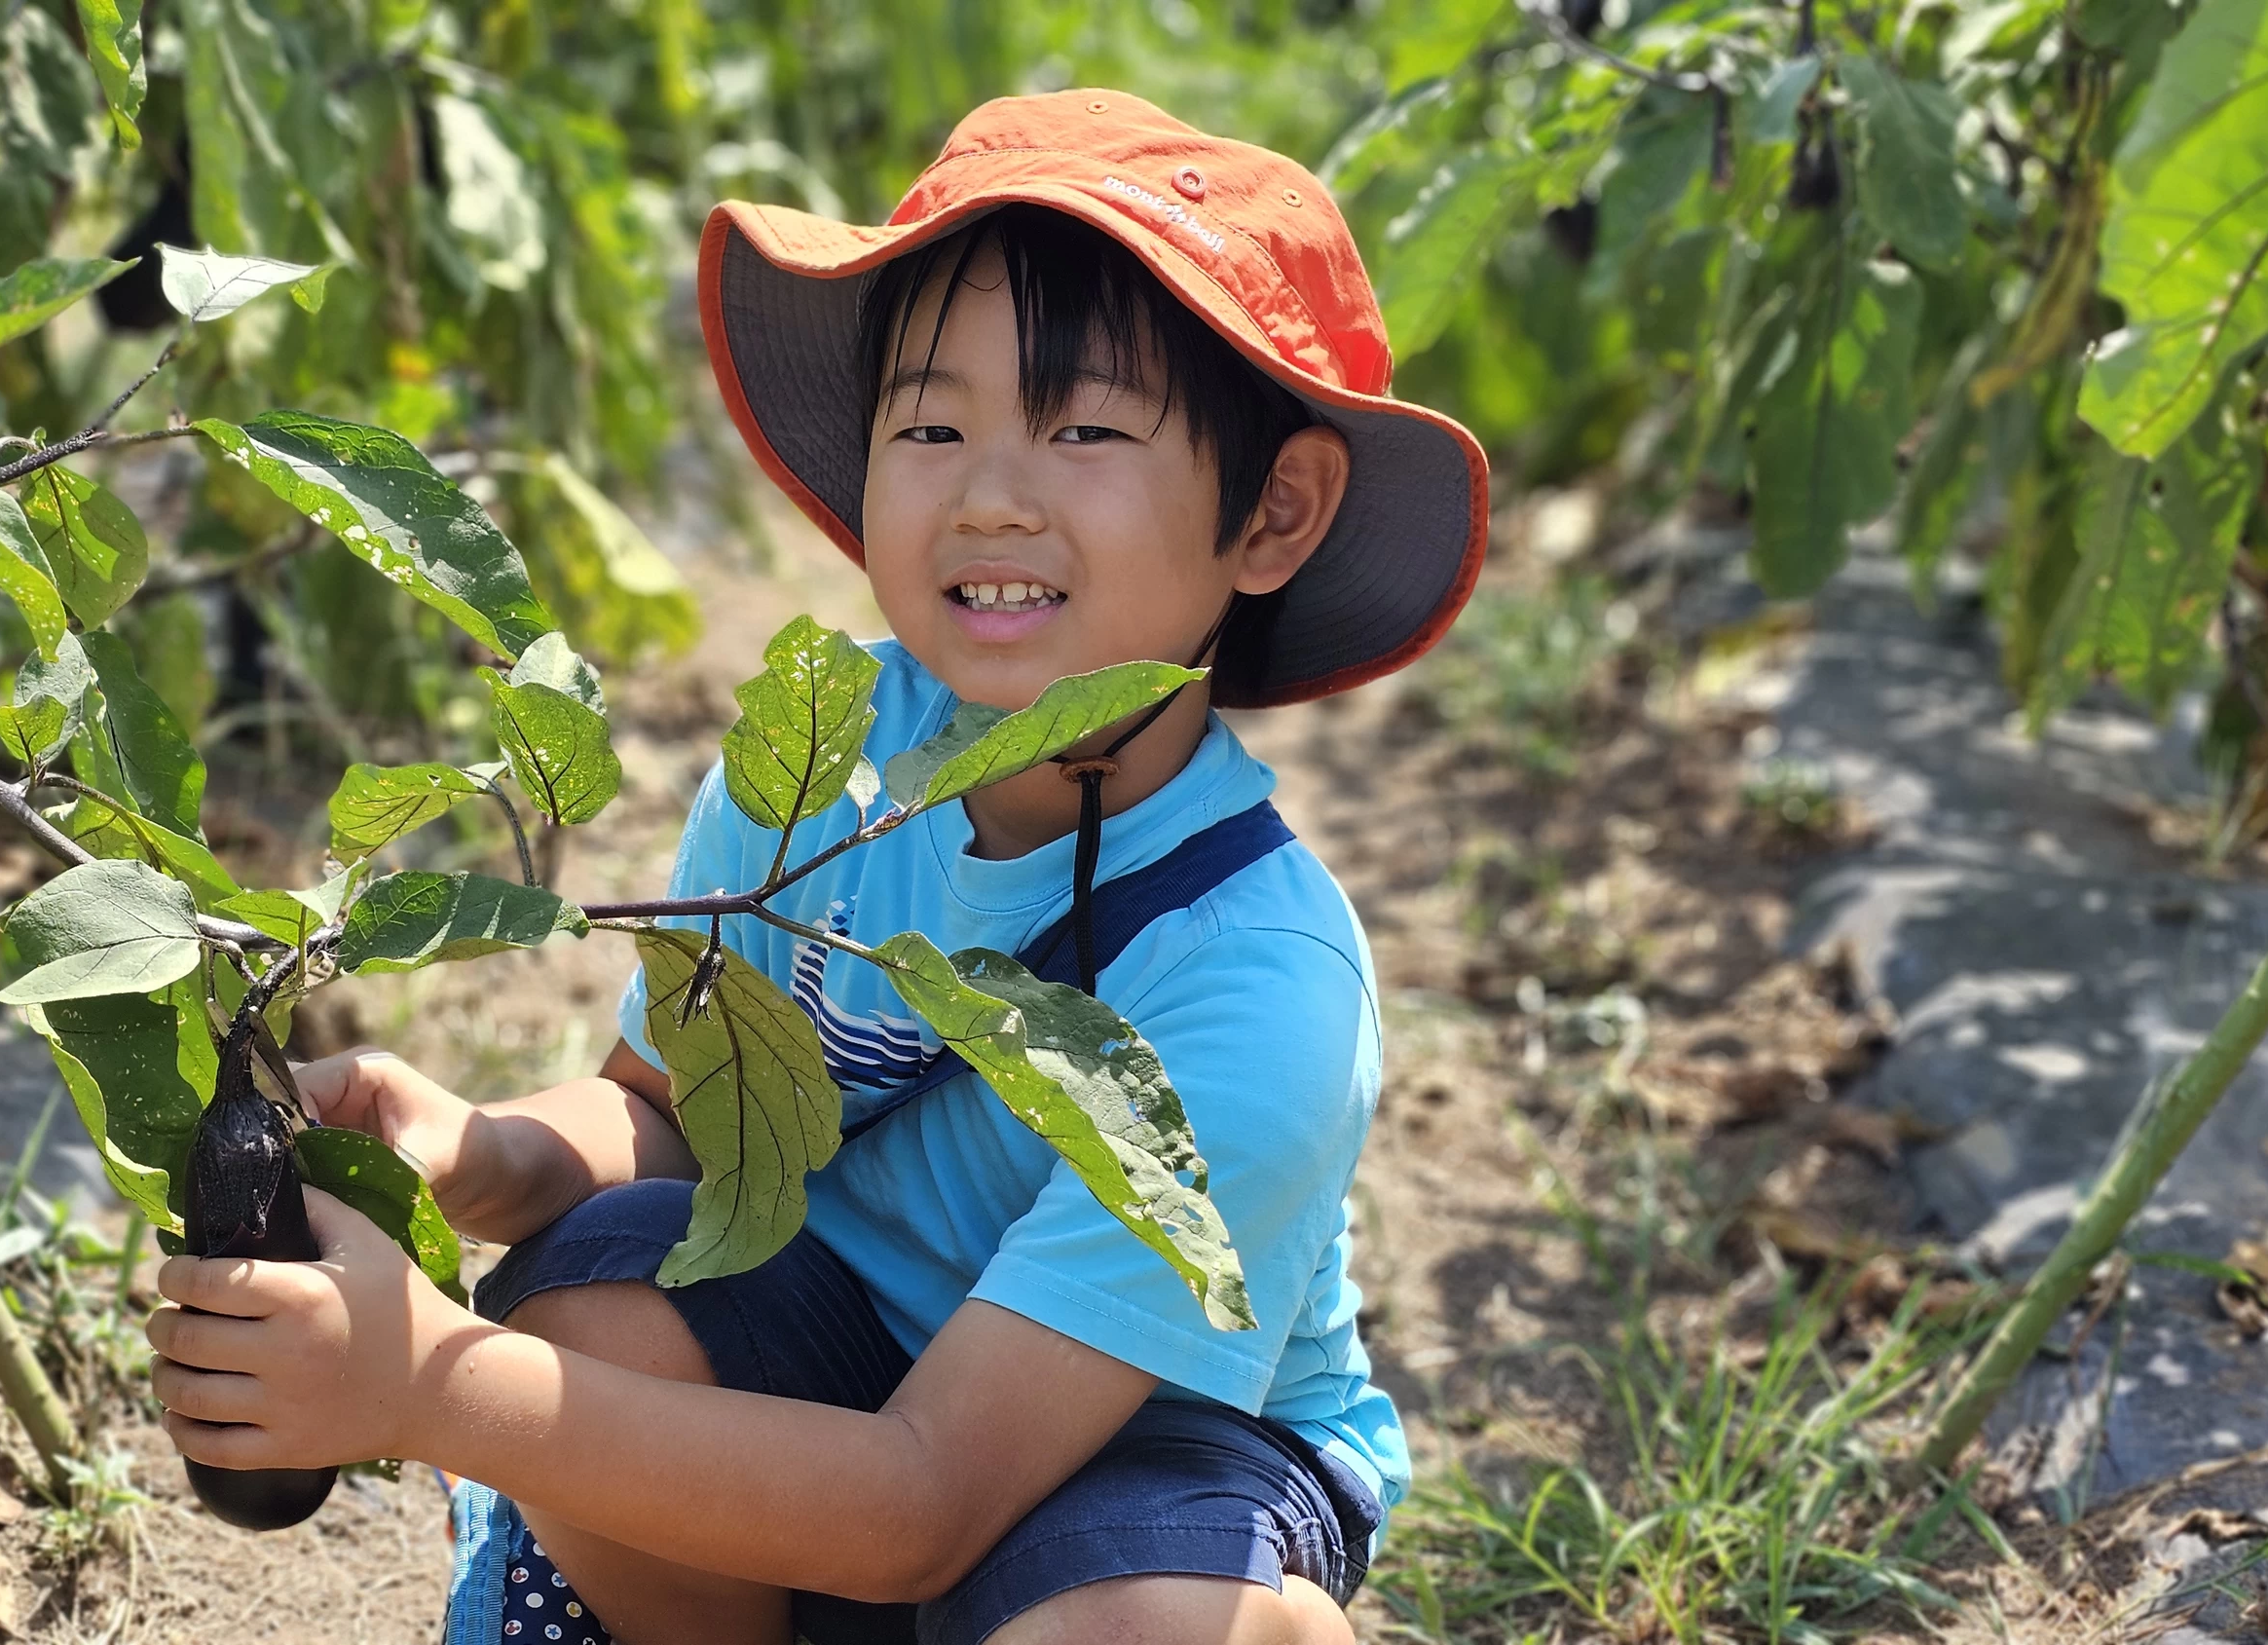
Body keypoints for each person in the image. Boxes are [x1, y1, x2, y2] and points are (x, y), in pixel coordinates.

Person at [144, 88, 1488, 1645]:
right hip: (828, 1360)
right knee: (596, 1300)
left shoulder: (1261, 989)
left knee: (1157, 1627)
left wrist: (429, 1381)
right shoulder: (822, 757)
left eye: (1086, 427)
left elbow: (923, 1501)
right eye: (932, 424)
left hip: (1132, 1456)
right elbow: (671, 1120)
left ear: (1275, 511)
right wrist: (491, 1155)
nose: (990, 490)